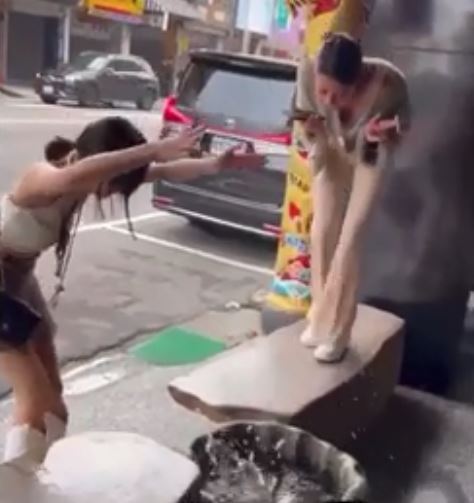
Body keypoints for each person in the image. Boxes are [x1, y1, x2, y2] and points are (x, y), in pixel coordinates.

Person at [0, 116, 265, 466]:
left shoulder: (85, 180)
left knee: (55, 407)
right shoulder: (42, 177)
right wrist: (154, 149)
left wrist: (216, 165)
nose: (110, 193)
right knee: (36, 403)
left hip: (19, 279)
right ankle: (14, 484)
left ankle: (31, 473)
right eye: (111, 183)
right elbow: (75, 176)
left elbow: (165, 172)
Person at [295, 32, 410, 362]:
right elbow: (303, 122)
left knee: (349, 242)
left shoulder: (388, 83)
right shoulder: (306, 72)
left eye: (340, 93)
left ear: (358, 80)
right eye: (324, 91)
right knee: (322, 230)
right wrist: (314, 134)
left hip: (370, 153)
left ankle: (338, 332)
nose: (330, 101)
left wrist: (385, 131)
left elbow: (404, 124)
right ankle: (320, 318)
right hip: (330, 149)